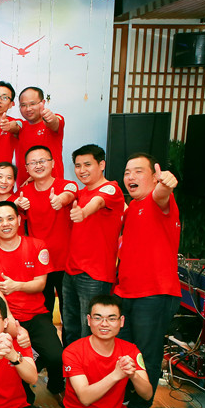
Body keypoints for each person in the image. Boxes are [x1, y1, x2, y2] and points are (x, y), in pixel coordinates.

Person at [63, 294, 182, 408]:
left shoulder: (130, 349)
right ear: (89, 320)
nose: (104, 324)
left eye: (112, 318)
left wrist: (133, 374)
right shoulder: (73, 351)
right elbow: (85, 398)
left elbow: (147, 394)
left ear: (121, 321)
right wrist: (115, 375)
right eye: (98, 318)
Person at [114, 153, 181, 408]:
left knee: (146, 355)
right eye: (127, 172)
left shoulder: (157, 200)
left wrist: (166, 183)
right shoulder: (132, 209)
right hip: (126, 293)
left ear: (154, 176)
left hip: (154, 295)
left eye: (138, 171)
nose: (130, 176)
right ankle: (123, 403)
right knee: (126, 352)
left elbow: (162, 194)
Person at [0, 201, 64, 398]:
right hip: (8, 318)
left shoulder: (37, 245)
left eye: (10, 218)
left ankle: (55, 387)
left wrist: (16, 286)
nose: (5, 224)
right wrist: (10, 320)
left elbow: (40, 284)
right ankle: (25, 392)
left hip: (37, 315)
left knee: (56, 357)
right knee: (10, 366)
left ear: (19, 220)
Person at [63, 144, 125, 349]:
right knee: (70, 327)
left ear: (102, 165)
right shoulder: (82, 192)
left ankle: (87, 369)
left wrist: (83, 212)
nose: (82, 170)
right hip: (71, 271)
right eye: (78, 165)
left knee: (89, 331)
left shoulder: (111, 188)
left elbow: (97, 202)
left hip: (94, 275)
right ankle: (70, 367)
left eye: (87, 164)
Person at [18, 145, 76, 328]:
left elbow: (70, 193)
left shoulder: (65, 185)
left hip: (66, 263)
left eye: (42, 161)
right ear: (27, 168)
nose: (38, 165)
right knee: (43, 313)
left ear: (52, 163)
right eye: (33, 162)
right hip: (39, 266)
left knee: (69, 315)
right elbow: (9, 208)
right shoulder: (24, 193)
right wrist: (18, 204)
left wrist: (60, 200)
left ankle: (70, 347)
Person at [12, 86, 65, 179]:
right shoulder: (20, 127)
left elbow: (55, 122)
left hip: (52, 185)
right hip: (25, 186)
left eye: (32, 104)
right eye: (23, 105)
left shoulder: (52, 120)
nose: (28, 109)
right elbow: (13, 126)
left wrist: (51, 119)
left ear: (42, 103)